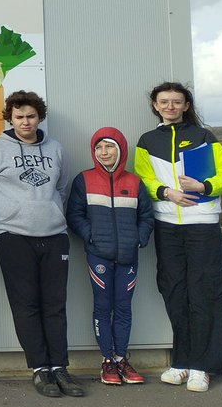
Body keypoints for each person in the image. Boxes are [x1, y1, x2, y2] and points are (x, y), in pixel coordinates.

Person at [134, 82, 222, 392]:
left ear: (185, 105)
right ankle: (180, 362)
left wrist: (203, 187)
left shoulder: (203, 137)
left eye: (176, 102)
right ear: (155, 105)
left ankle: (201, 367)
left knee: (203, 294)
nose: (169, 106)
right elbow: (143, 179)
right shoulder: (147, 141)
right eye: (163, 101)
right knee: (175, 293)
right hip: (166, 225)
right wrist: (166, 193)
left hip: (202, 225)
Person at [0, 91, 80, 398]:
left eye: (31, 116)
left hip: (54, 235)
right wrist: (4, 222)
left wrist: (50, 216)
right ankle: (39, 369)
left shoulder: (56, 149)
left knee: (55, 303)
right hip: (13, 236)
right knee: (27, 304)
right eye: (19, 116)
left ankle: (59, 368)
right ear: (10, 118)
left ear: (40, 118)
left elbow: (61, 190)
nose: (25, 122)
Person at [66, 128, 155, 385]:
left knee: (124, 309)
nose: (104, 152)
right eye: (99, 148)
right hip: (99, 257)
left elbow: (147, 217)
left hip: (128, 257)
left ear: (121, 149)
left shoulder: (135, 182)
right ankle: (107, 362)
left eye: (110, 146)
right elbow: (74, 215)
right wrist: (90, 236)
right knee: (103, 309)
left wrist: (139, 239)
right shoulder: (83, 180)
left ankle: (120, 359)